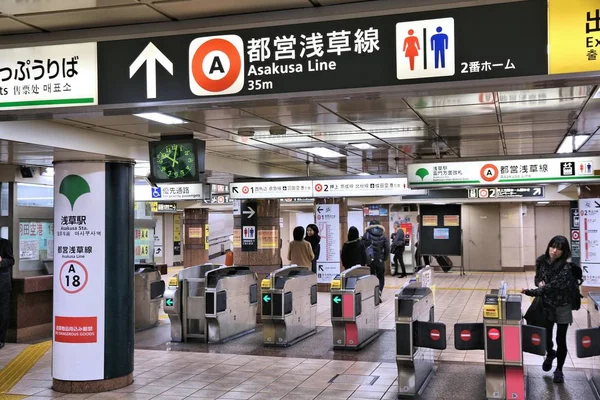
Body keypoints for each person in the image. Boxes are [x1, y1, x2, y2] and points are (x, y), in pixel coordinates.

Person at [521, 235, 576, 384]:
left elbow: (550, 288)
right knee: (546, 336)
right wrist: (539, 283)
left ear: (564, 252)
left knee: (561, 339)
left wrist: (529, 291)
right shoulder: (541, 260)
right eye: (552, 247)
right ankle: (551, 353)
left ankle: (559, 370)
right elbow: (538, 278)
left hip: (563, 306)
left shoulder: (565, 267)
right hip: (546, 305)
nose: (554, 251)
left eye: (558, 249)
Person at [362, 220, 389, 296]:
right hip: (380, 259)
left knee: (371, 276)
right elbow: (387, 248)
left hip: (370, 260)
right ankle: (379, 292)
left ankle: (373, 293)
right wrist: (384, 258)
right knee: (380, 277)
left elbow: (363, 247)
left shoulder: (366, 235)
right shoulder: (383, 235)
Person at [0, 237, 15, 349]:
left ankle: (1, 339)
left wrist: (1, 261)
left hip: (2, 285)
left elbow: (11, 260)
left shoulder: (4, 243)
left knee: (2, 312)